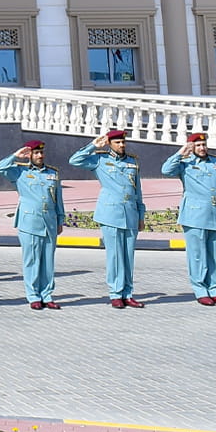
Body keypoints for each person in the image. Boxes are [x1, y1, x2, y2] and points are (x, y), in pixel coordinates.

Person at [70, 129, 146, 308]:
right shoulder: (100, 159)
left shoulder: (132, 162)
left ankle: (128, 293)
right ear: (109, 143)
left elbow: (138, 192)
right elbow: (74, 160)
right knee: (115, 256)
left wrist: (141, 215)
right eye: (117, 142)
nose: (122, 145)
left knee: (128, 256)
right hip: (110, 214)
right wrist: (93, 146)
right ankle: (115, 293)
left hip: (131, 214)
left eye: (123, 142)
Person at [161, 132, 216, 306]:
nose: (202, 148)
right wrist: (181, 153)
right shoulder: (185, 163)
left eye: (204, 144)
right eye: (198, 145)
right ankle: (200, 289)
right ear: (192, 147)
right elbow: (166, 170)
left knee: (215, 255)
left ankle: (215, 289)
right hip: (195, 215)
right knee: (197, 255)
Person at [0, 140, 65, 309]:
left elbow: (58, 198)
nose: (40, 156)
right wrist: (15, 156)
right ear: (29, 155)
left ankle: (46, 294)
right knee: (32, 259)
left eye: (41, 152)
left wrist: (60, 219)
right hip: (30, 222)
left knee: (48, 261)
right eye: (36, 153)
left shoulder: (52, 173)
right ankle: (33, 295)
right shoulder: (20, 172)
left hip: (49, 221)